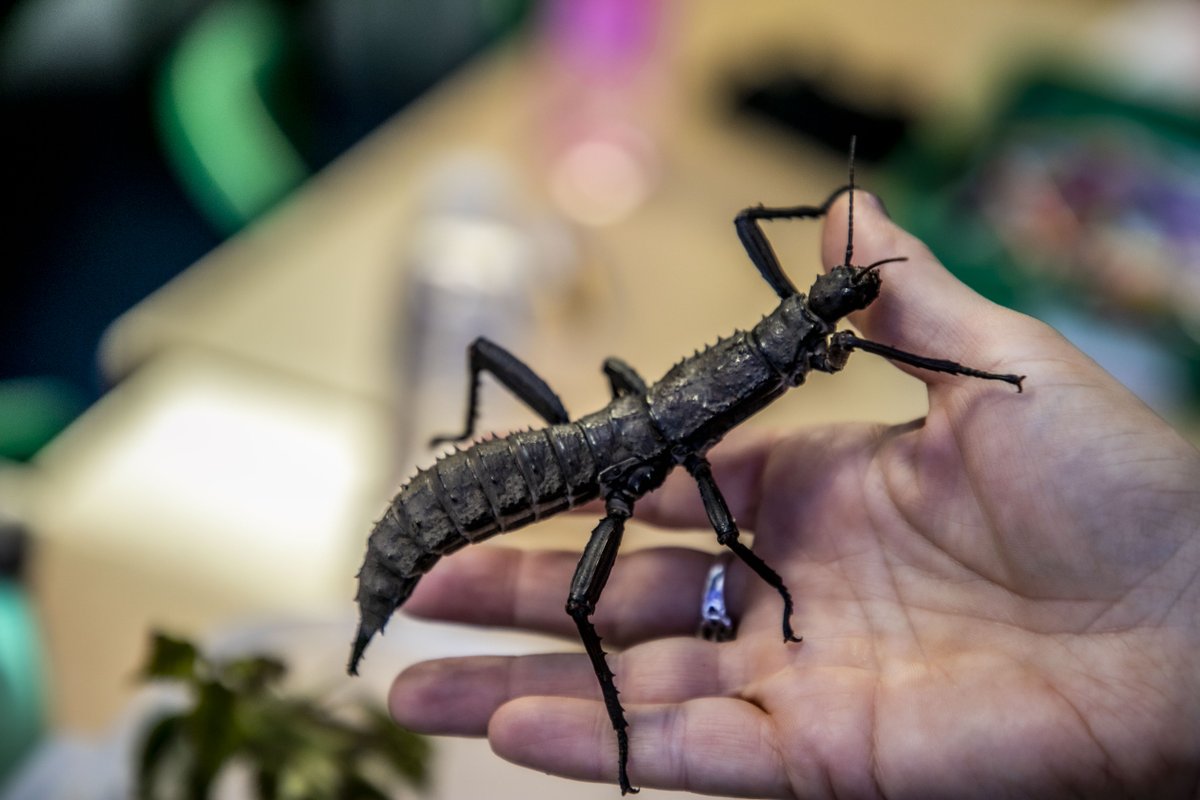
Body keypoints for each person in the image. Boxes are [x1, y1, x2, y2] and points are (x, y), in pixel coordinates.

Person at [386, 191, 1200, 798]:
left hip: (621, 443)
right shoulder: (802, 349)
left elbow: (748, 226)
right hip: (611, 450)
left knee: (588, 597)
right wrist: (768, 582)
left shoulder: (804, 342)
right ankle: (622, 734)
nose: (841, 297)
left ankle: (622, 735)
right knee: (584, 601)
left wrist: (988, 375)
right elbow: (732, 537)